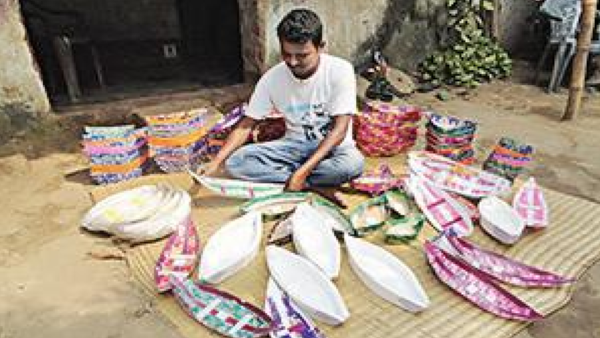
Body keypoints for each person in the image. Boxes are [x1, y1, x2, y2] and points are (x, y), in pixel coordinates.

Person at [199, 8, 364, 192]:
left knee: (352, 164)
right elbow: (247, 124)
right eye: (286, 54)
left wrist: (303, 171)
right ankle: (312, 185)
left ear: (320, 47)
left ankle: (294, 178)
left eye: (302, 56)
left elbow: (339, 130)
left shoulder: (340, 70)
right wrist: (216, 162)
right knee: (237, 162)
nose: (292, 62)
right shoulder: (272, 78)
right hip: (293, 148)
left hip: (334, 149)